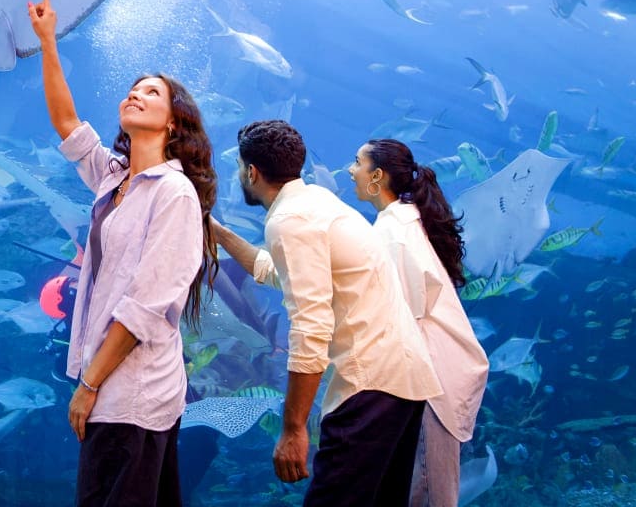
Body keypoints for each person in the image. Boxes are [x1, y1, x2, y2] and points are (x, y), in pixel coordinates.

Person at [27, 0, 218, 507]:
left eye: (151, 93)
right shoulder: (115, 179)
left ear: (173, 121)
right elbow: (68, 124)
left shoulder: (174, 193)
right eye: (132, 90)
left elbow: (146, 307)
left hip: (133, 394)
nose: (135, 95)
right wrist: (47, 41)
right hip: (113, 389)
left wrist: (88, 385)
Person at [209, 119, 442, 507]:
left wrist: (293, 427)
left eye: (238, 168)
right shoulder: (315, 202)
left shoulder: (290, 220)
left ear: (251, 172)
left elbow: (310, 326)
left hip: (370, 386)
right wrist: (218, 232)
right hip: (400, 382)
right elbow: (276, 272)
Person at [349, 139, 488, 507]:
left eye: (357, 163)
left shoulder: (394, 233)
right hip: (430, 379)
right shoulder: (404, 223)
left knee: (426, 495)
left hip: (427, 385)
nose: (350, 170)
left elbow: (402, 317)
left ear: (377, 176)